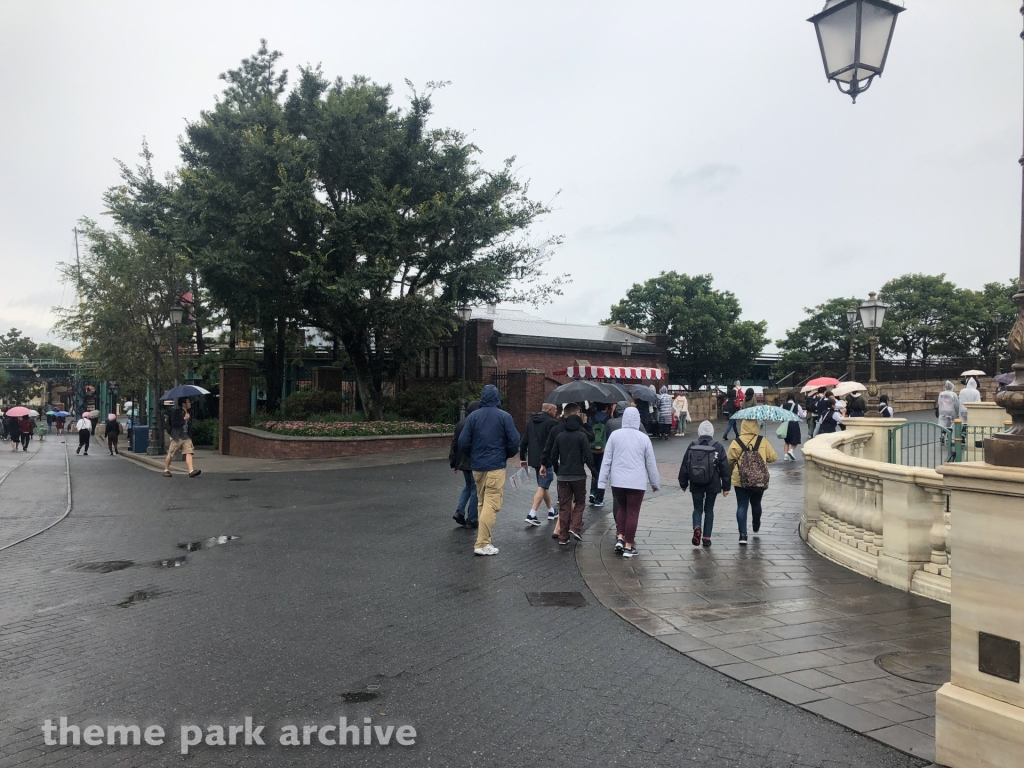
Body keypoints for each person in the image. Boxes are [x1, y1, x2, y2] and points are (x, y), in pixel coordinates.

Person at [457, 384, 521, 556]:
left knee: (481, 502)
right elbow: (514, 441)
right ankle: (482, 543)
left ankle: (484, 540)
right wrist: (505, 454)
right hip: (495, 466)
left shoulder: (473, 417)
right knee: (491, 504)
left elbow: (463, 442)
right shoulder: (504, 417)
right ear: (497, 398)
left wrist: (474, 454)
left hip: (477, 467)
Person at [596, 406, 660, 558]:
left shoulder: (615, 436)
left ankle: (620, 537)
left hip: (617, 481)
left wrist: (601, 483)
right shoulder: (644, 438)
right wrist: (654, 483)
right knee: (633, 512)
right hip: (637, 482)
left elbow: (606, 461)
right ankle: (629, 546)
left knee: (622, 508)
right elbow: (650, 463)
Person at [544, 409, 596, 545]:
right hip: (578, 475)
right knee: (580, 502)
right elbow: (588, 457)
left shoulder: (560, 436)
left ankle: (563, 537)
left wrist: (557, 469)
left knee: (564, 506)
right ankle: (575, 527)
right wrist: (595, 473)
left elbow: (553, 456)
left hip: (563, 476)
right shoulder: (581, 436)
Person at [678, 420, 730, 548]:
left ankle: (697, 527)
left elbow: (685, 465)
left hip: (696, 483)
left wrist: (683, 483)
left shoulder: (692, 445)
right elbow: (724, 468)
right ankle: (706, 538)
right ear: (712, 432)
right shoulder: (718, 447)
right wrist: (726, 487)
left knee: (697, 508)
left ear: (699, 432)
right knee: (709, 509)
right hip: (713, 483)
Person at [726, 418, 777, 545]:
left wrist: (730, 474)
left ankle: (743, 535)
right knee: (756, 503)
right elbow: (773, 458)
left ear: (743, 427)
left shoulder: (736, 442)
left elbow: (729, 461)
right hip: (758, 478)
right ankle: (756, 523)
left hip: (740, 479)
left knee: (742, 505)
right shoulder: (763, 440)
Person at [519, 402, 558, 526]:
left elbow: (524, 440)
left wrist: (522, 458)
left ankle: (551, 511)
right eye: (555, 410)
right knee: (542, 486)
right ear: (550, 410)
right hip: (546, 459)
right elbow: (555, 442)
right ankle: (532, 514)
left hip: (534, 459)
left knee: (543, 484)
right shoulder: (552, 423)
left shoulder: (531, 421)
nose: (556, 412)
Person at [449, 400, 481, 528]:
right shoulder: (476, 423)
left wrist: (453, 463)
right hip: (473, 461)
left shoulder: (460, 423)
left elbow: (454, 443)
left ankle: (459, 511)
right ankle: (472, 519)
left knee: (468, 486)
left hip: (462, 461)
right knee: (475, 489)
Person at [163, 397, 202, 478]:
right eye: (188, 402)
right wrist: (184, 419)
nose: (190, 403)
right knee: (171, 453)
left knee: (189, 451)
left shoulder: (188, 412)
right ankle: (166, 469)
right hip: (177, 436)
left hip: (186, 436)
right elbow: (174, 424)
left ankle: (191, 471)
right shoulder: (176, 412)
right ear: (183, 404)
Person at [588, 403, 612, 507]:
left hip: (592, 450)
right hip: (604, 450)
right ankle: (599, 498)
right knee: (602, 473)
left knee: (594, 472)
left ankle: (592, 493)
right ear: (606, 408)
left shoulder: (591, 418)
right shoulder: (609, 419)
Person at [781, 394, 804, 461]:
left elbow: (780, 413)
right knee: (796, 440)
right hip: (794, 424)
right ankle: (791, 450)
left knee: (787, 441)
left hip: (786, 424)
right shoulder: (797, 406)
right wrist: (805, 413)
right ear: (794, 399)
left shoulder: (783, 405)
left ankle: (785, 456)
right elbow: (802, 415)